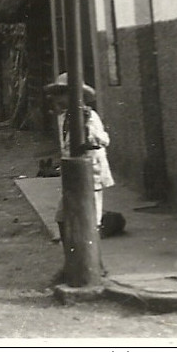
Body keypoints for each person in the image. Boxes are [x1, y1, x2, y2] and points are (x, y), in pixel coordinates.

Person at [44, 73, 114, 240]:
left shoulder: (89, 117)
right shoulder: (63, 118)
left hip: (92, 173)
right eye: (57, 94)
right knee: (62, 215)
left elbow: (104, 139)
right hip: (73, 173)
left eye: (63, 94)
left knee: (92, 218)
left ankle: (92, 255)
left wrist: (89, 136)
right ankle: (69, 250)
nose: (58, 99)